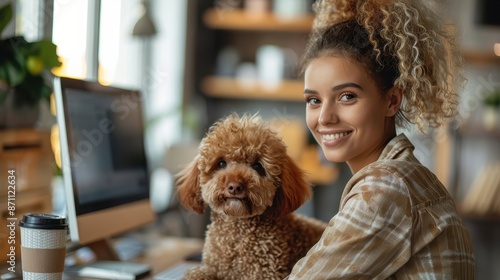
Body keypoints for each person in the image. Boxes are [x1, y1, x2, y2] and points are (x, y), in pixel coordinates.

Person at [286, 0, 475, 279]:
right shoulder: (405, 177)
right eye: (313, 100)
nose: (324, 117)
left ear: (392, 100)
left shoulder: (386, 188)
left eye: (347, 96)